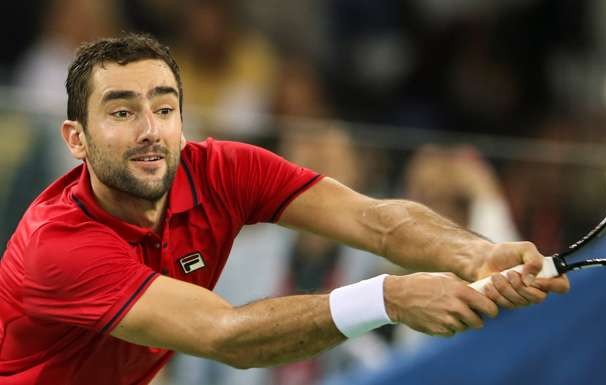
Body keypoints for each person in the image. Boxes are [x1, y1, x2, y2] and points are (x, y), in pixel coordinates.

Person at [0, 33, 569, 385]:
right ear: (76, 139)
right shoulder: (58, 245)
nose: (151, 131)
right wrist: (388, 297)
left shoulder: (221, 170)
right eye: (122, 113)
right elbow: (228, 337)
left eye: (165, 108)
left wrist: (478, 254)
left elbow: (373, 220)